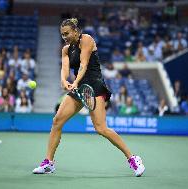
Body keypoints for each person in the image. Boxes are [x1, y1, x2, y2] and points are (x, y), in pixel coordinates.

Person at [33, 18, 145, 177]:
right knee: (57, 121)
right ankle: (48, 163)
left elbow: (84, 64)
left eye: (67, 33)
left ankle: (133, 158)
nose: (64, 36)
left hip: (94, 85)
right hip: (79, 88)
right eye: (62, 34)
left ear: (75, 31)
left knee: (101, 128)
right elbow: (65, 70)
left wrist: (75, 81)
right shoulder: (66, 49)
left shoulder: (86, 39)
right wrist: (64, 81)